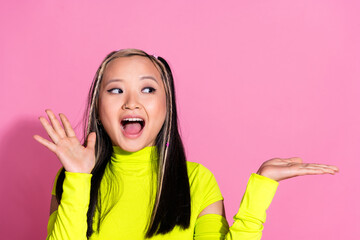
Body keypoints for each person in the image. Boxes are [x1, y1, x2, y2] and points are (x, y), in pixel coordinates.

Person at [33, 48, 339, 239]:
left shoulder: (197, 181)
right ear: (99, 109)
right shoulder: (72, 181)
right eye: (115, 91)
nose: (131, 103)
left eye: (148, 89)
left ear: (167, 106)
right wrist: (77, 178)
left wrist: (262, 188)